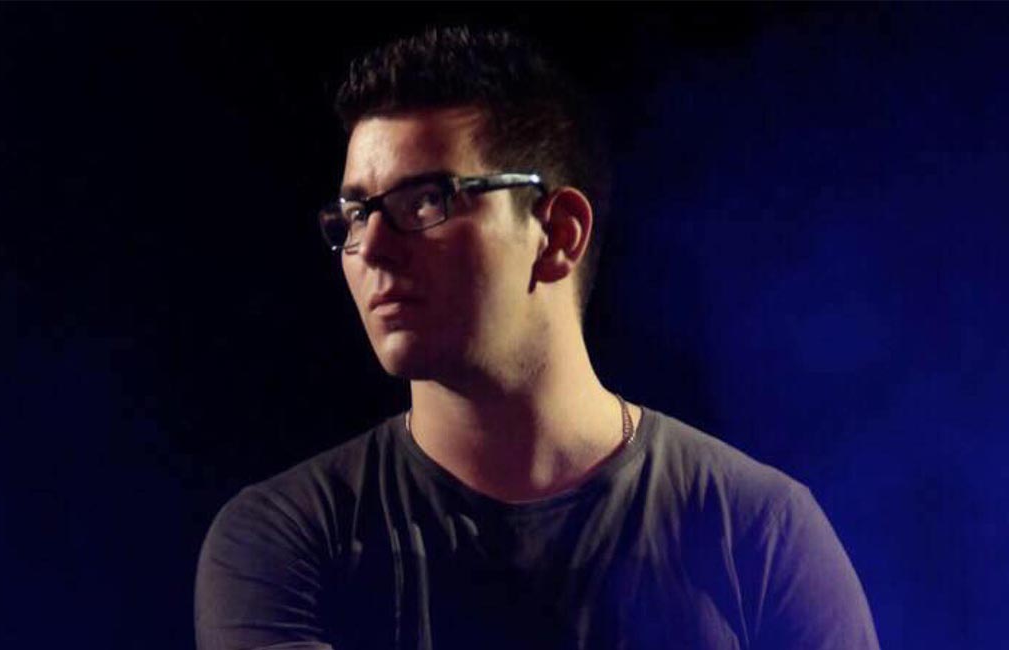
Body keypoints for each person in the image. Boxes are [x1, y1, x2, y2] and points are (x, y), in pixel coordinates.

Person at [195, 26, 879, 650]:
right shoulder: (286, 540)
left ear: (558, 234)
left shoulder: (759, 532)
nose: (370, 246)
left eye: (425, 200)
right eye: (354, 214)